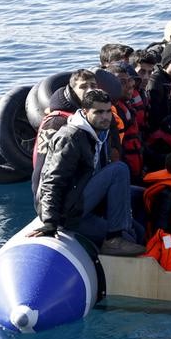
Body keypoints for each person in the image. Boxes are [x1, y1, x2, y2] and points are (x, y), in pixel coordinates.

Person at [30, 89, 145, 256]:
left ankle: (120, 235)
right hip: (68, 211)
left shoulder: (101, 132)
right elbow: (52, 181)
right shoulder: (70, 138)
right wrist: (49, 222)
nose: (105, 117)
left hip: (86, 199)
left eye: (108, 111)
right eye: (98, 112)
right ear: (85, 112)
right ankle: (114, 239)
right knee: (119, 170)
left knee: (139, 225)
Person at [31, 69, 98, 197]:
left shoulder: (87, 116)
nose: (90, 90)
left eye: (93, 86)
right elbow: (42, 167)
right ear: (72, 91)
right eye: (83, 86)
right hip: (60, 199)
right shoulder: (56, 122)